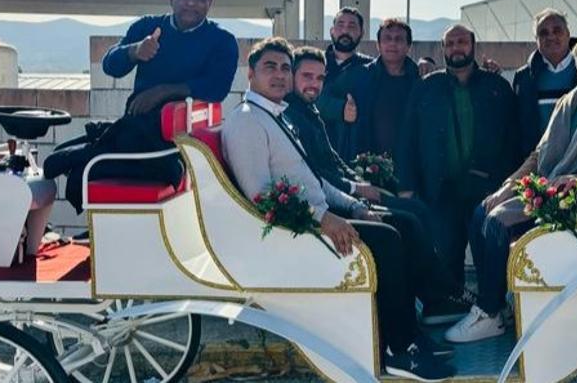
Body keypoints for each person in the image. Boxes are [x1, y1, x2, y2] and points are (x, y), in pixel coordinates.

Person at [222, 38, 455, 381]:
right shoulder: (247, 122)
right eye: (270, 67)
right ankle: (397, 350)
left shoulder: (276, 115)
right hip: (299, 227)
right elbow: (261, 196)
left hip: (319, 213)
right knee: (388, 240)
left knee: (402, 225)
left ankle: (412, 332)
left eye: (285, 68)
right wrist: (324, 218)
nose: (280, 75)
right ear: (251, 74)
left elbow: (312, 178)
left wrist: (355, 206)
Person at [445, 28, 577, 343]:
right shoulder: (570, 101)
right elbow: (540, 155)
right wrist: (507, 187)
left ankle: (488, 312)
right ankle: (496, 305)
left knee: (499, 222)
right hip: (558, 185)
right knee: (481, 211)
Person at [284, 45, 470, 324]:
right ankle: (438, 297)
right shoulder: (293, 117)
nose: (314, 84)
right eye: (307, 76)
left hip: (344, 190)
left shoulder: (308, 112)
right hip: (331, 202)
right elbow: (316, 174)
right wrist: (356, 190)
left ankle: (438, 295)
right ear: (292, 77)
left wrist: (359, 180)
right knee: (408, 218)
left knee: (417, 210)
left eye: (320, 78)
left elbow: (333, 160)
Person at [44, 0, 238, 212]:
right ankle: (88, 154)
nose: (191, 3)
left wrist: (164, 92)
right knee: (75, 157)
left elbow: (217, 87)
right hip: (136, 127)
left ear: (210, 2)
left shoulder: (222, 41)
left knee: (84, 164)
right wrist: (135, 52)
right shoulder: (148, 28)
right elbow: (110, 65)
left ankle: (86, 155)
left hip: (176, 143)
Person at [396, 24, 519, 291]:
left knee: (489, 253)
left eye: (461, 42)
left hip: (487, 190)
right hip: (440, 189)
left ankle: (492, 311)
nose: (456, 48)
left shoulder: (496, 86)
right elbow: (409, 139)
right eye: (450, 44)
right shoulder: (426, 87)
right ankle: (453, 308)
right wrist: (407, 186)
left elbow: (513, 139)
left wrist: (508, 184)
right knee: (447, 255)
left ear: (473, 45)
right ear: (442, 49)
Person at [337, 18, 422, 161]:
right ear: (378, 45)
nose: (392, 43)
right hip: (368, 166)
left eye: (399, 39)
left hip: (410, 167)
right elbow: (323, 96)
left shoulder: (420, 81)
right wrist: (341, 109)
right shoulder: (359, 75)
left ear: (409, 46)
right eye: (387, 38)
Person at [513, 8, 577, 160]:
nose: (551, 36)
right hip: (536, 166)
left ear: (568, 34)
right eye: (543, 33)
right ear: (536, 40)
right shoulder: (524, 78)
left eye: (557, 30)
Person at [316, 7, 373, 155]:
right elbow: (301, 97)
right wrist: (340, 109)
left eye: (352, 26)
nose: (345, 31)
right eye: (340, 25)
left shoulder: (370, 68)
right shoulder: (313, 63)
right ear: (332, 31)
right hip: (314, 149)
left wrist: (424, 63)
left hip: (354, 153)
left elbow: (397, 69)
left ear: (362, 33)